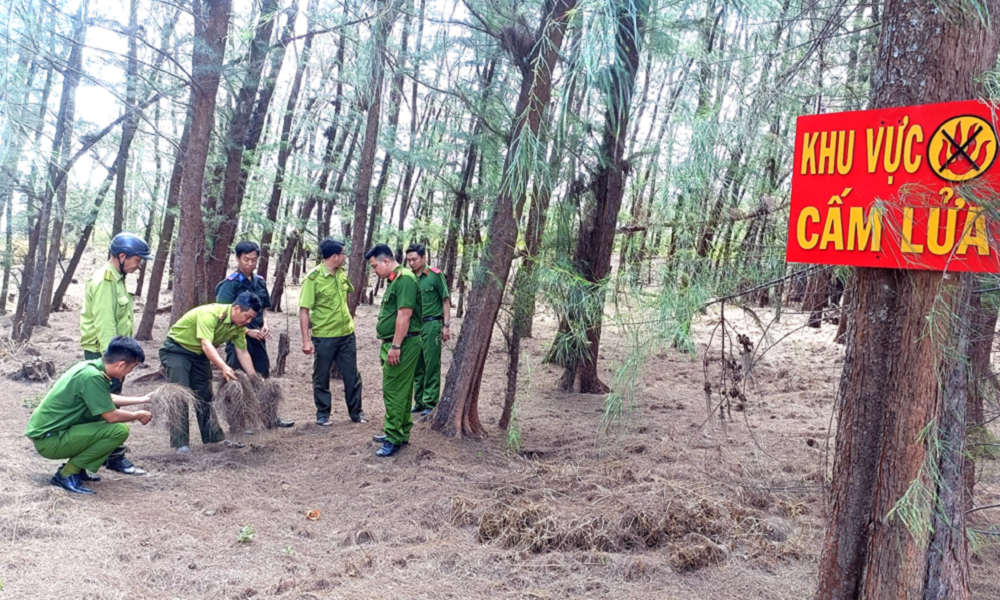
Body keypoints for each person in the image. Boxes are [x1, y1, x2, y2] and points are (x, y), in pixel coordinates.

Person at [25, 336, 153, 495]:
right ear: (120, 364)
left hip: (51, 434)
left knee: (102, 416)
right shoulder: (92, 376)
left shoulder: (90, 368)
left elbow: (105, 399)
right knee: (119, 430)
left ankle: (78, 469)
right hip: (50, 441)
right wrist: (137, 415)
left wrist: (143, 399)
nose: (130, 372)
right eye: (131, 368)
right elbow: (111, 416)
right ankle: (67, 474)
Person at [79, 232, 153, 476]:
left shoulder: (117, 278)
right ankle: (109, 458)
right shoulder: (104, 281)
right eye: (137, 259)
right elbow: (105, 325)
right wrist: (110, 362)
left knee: (107, 403)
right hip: (104, 355)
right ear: (122, 256)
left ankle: (107, 455)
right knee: (102, 406)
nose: (138, 264)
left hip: (113, 356)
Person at [159, 292, 261, 453]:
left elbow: (242, 352)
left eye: (251, 319)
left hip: (199, 355)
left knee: (205, 396)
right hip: (177, 350)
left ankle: (213, 438)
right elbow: (206, 345)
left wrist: (254, 377)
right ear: (236, 308)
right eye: (247, 317)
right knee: (180, 394)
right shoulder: (211, 314)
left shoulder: (238, 327)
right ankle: (181, 444)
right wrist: (223, 367)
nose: (248, 322)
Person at [215, 240, 293, 428]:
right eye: (246, 259)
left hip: (259, 338)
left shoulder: (259, 281)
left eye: (253, 260)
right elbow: (224, 314)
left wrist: (265, 324)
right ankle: (238, 423)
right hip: (238, 338)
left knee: (262, 375)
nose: (250, 264)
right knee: (238, 378)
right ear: (238, 258)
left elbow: (263, 308)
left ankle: (269, 418)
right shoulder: (230, 284)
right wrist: (248, 331)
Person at [299, 238, 365, 426]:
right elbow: (304, 311)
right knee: (321, 375)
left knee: (352, 375)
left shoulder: (342, 275)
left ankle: (356, 413)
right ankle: (323, 414)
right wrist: (306, 340)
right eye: (343, 253)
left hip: (346, 334)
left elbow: (346, 295)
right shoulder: (313, 279)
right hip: (324, 336)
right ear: (335, 256)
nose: (345, 257)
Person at [366, 244, 422, 457]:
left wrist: (396, 345)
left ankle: (393, 437)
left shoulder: (405, 278)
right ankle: (400, 432)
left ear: (386, 261)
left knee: (394, 391)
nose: (374, 270)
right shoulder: (397, 279)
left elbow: (404, 315)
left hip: (403, 343)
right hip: (397, 342)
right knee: (403, 391)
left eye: (374, 266)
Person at [405, 243, 451, 416]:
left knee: (431, 363)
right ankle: (419, 401)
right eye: (409, 260)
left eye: (415, 259)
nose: (411, 263)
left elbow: (445, 301)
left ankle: (430, 402)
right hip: (413, 325)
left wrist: (446, 326)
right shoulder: (407, 277)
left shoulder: (434, 275)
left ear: (424, 258)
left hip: (432, 324)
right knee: (417, 364)